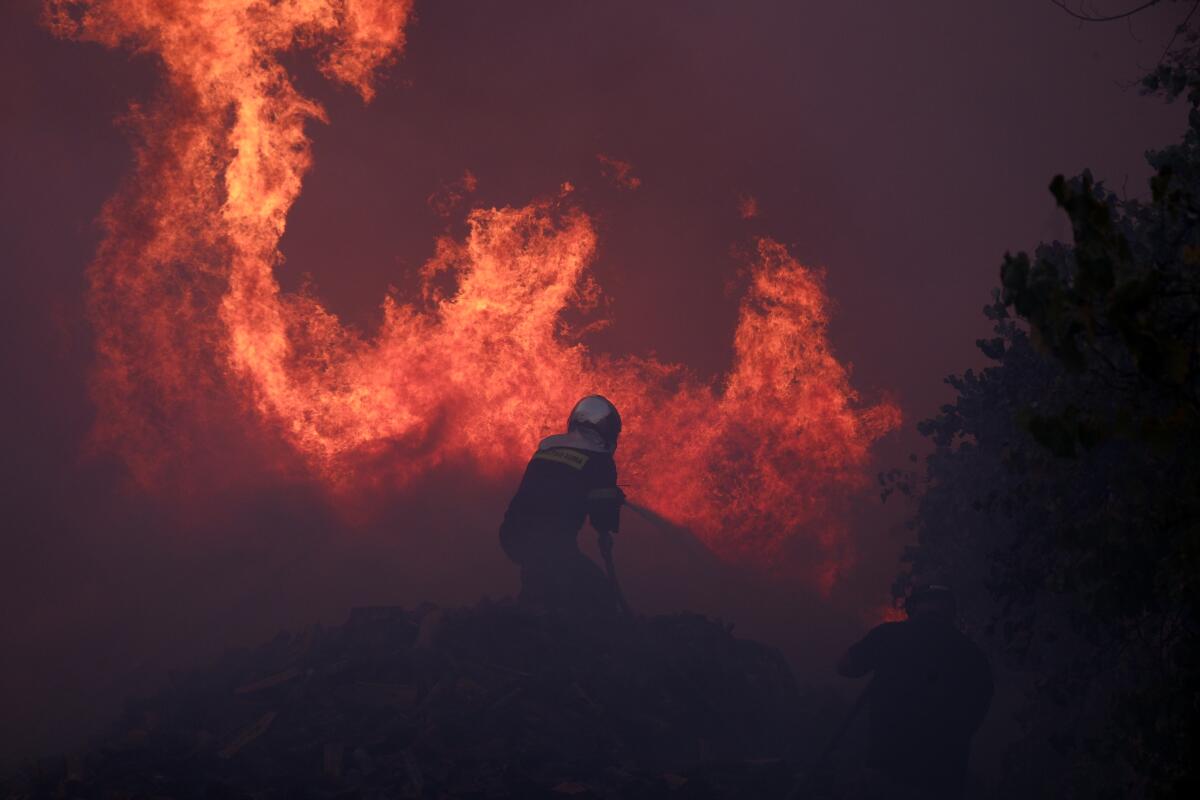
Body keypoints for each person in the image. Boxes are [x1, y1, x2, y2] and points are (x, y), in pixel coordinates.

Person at [836, 585, 993, 800]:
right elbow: (979, 709)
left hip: (886, 765)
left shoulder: (888, 636)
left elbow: (846, 667)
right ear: (950, 613)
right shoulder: (973, 656)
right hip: (942, 775)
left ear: (914, 608)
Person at [499, 395, 625, 615]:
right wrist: (611, 501)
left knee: (541, 578)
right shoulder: (600, 461)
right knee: (599, 592)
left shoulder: (546, 451)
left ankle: (528, 615)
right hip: (551, 543)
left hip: (512, 535)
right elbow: (602, 519)